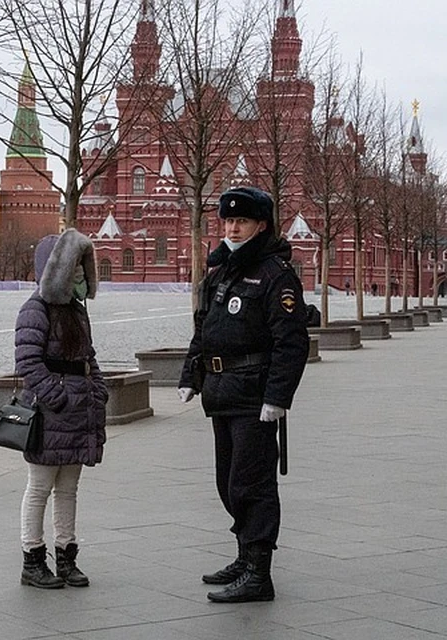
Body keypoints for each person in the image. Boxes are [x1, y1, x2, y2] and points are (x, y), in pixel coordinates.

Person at [178, 186, 310, 603]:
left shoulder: (274, 274)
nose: (233, 228)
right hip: (220, 393)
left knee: (252, 485)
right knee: (228, 483)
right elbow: (205, 330)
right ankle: (243, 556)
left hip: (254, 396)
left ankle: (259, 572)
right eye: (229, 221)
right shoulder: (222, 271)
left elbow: (291, 342)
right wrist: (190, 375)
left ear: (261, 225)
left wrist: (278, 397)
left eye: (243, 221)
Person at [14, 228, 109, 589]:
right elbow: (28, 363)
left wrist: (97, 392)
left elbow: (89, 358)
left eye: (84, 269)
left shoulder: (75, 311)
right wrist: (58, 397)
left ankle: (66, 554)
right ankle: (32, 558)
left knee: (68, 489)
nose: (81, 277)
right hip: (50, 416)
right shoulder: (35, 310)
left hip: (79, 413)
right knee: (39, 488)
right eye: (75, 269)